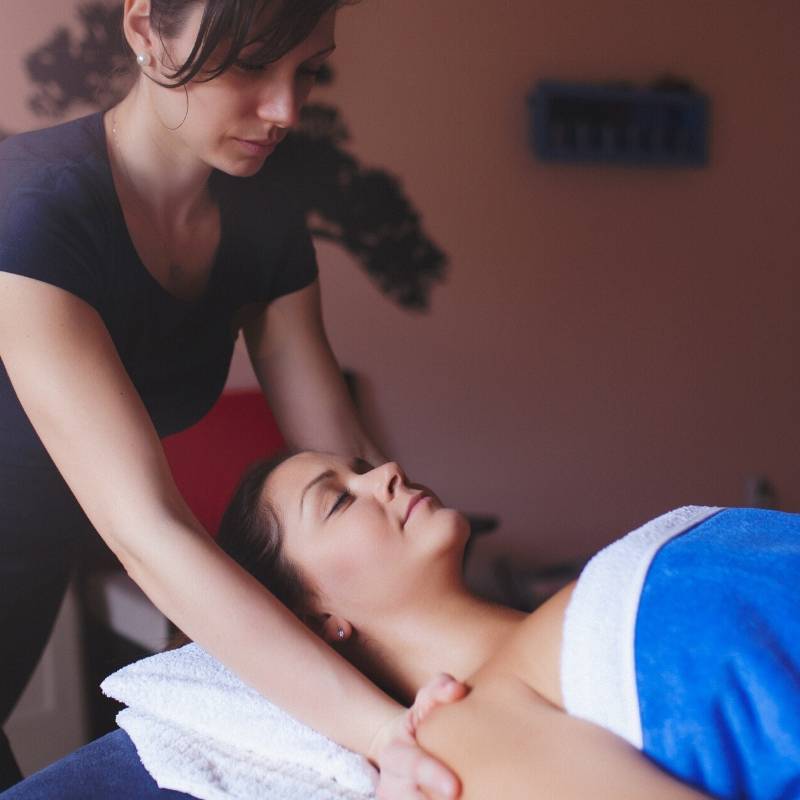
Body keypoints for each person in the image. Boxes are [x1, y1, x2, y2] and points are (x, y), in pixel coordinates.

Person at [0, 2, 465, 797]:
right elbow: (148, 529)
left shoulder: (263, 211)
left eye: (308, 71)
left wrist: (452, 660)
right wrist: (386, 733)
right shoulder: (35, 210)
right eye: (251, 65)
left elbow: (347, 458)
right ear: (145, 28)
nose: (286, 110)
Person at [5, 451, 799, 798]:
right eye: (340, 497)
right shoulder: (462, 738)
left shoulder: (573, 605)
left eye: (358, 468)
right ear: (319, 619)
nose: (385, 470)